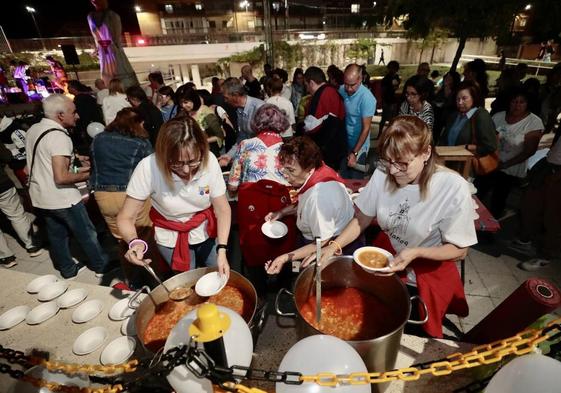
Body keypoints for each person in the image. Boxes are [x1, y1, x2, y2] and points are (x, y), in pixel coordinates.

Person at [316, 116, 477, 338]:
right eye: (387, 161)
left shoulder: (451, 187)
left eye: (402, 163)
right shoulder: (384, 172)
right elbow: (362, 218)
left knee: (413, 330)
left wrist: (417, 252)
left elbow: (460, 249)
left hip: (427, 269)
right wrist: (333, 246)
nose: (392, 171)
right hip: (388, 256)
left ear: (426, 153)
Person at [117, 117, 231, 277]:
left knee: (218, 272)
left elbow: (222, 209)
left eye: (192, 162)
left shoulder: (209, 160)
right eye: (176, 163)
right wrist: (134, 242)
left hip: (206, 229)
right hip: (170, 234)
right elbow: (125, 217)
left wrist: (223, 249)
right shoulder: (149, 167)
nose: (186, 170)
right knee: (187, 282)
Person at [25, 94, 112, 279]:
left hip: (41, 196)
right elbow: (62, 177)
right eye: (73, 112)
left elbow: (41, 158)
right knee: (87, 233)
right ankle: (101, 266)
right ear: (60, 115)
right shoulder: (59, 137)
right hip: (62, 199)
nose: (78, 116)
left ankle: (67, 269)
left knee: (57, 235)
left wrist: (76, 158)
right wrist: (92, 172)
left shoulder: (34, 129)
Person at [227, 105, 296, 295]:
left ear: (256, 122)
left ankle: (259, 289)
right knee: (283, 240)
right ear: (281, 123)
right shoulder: (288, 148)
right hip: (281, 202)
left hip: (252, 203)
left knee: (253, 243)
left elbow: (233, 184)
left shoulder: (245, 145)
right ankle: (282, 286)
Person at [265, 136, 355, 274]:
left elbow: (322, 242)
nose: (286, 175)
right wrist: (282, 212)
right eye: (284, 169)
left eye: (291, 170)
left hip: (330, 244)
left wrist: (284, 258)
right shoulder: (320, 170)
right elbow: (304, 202)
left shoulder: (319, 199)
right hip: (317, 235)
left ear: (309, 168)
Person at [90, 108, 153, 287]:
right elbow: (150, 168)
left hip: (103, 196)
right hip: (131, 195)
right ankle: (148, 276)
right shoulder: (140, 142)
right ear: (137, 123)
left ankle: (132, 281)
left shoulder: (98, 139)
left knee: (123, 240)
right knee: (142, 237)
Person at [476, 89, 544, 218]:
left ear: (527, 104)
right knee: (479, 192)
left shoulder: (534, 122)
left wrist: (505, 164)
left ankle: (491, 228)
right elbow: (488, 139)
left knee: (498, 199)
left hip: (511, 168)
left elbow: (529, 150)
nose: (517, 105)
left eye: (521, 102)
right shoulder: (499, 116)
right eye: (514, 101)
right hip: (491, 163)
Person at [511, 136, 561, 271]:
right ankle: (526, 239)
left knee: (554, 218)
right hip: (549, 166)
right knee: (529, 205)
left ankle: (545, 256)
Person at [0, 143, 43, 267]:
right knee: (16, 214)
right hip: (2, 184)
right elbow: (7, 156)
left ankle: (7, 257)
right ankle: (32, 246)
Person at [300, 66, 346, 171]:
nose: (307, 89)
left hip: (326, 151)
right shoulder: (333, 91)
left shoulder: (320, 95)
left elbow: (311, 127)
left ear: (311, 83)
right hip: (337, 147)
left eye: (306, 85)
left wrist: (301, 128)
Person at [439, 80, 497, 161]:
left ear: (474, 97)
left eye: (464, 98)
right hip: (448, 163)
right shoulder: (454, 115)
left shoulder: (481, 115)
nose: (460, 102)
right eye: (457, 99)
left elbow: (490, 146)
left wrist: (468, 147)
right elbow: (443, 139)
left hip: (468, 167)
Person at [87, 0, 138, 88]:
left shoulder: (110, 15)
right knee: (112, 71)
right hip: (107, 49)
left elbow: (116, 36)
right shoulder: (92, 16)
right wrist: (98, 49)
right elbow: (99, 36)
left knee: (116, 70)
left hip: (109, 49)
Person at [338, 64, 376, 179]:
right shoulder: (342, 90)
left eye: (352, 85)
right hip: (345, 143)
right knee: (343, 179)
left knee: (355, 181)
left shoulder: (367, 98)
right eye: (346, 84)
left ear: (360, 79)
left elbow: (366, 128)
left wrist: (355, 153)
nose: (348, 89)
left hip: (359, 146)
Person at [219, 77, 265, 166]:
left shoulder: (260, 108)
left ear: (235, 95)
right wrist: (229, 155)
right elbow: (242, 138)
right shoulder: (239, 109)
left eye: (226, 98)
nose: (225, 101)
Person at [177, 88, 224, 157]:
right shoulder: (183, 113)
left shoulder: (207, 114)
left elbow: (219, 136)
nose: (183, 106)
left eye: (186, 102)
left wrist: (201, 141)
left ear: (194, 100)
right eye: (181, 103)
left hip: (209, 151)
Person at [67, 80, 104, 153]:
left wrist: (80, 127)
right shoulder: (88, 96)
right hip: (95, 122)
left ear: (73, 88)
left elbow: (82, 114)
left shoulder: (79, 99)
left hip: (87, 125)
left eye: (69, 87)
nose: (67, 89)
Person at [432, 71, 461, 141]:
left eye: (449, 78)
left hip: (447, 118)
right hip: (437, 116)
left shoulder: (455, 92)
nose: (446, 79)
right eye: (446, 77)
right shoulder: (442, 89)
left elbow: (451, 104)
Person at [380, 60, 401, 129]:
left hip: (393, 100)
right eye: (391, 68)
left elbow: (396, 88)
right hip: (387, 100)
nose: (392, 70)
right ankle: (380, 134)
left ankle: (388, 134)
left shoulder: (396, 77)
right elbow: (383, 90)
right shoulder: (386, 78)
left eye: (394, 68)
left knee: (392, 119)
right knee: (384, 118)